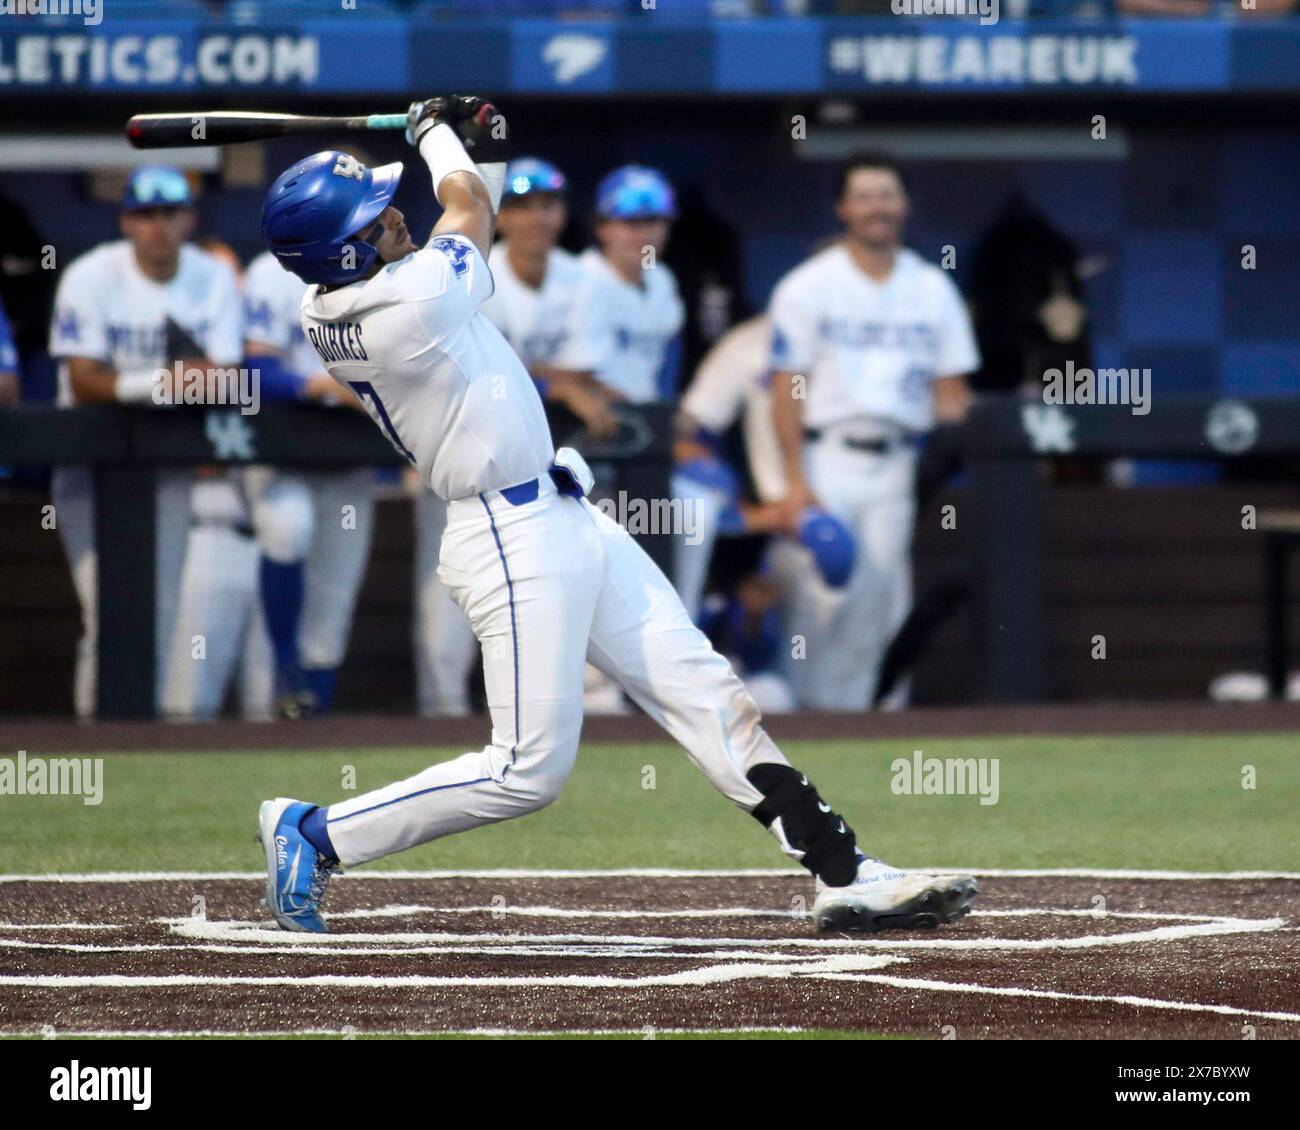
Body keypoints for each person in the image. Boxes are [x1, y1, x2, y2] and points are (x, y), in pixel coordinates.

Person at [253, 96, 977, 937]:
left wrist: (479, 140)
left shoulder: (354, 293)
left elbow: (467, 209)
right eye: (375, 221)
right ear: (345, 252)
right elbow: (470, 208)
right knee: (529, 771)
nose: (396, 223)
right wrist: (432, 132)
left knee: (702, 688)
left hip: (561, 508)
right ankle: (315, 834)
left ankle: (845, 870)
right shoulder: (402, 306)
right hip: (505, 539)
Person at [768, 153, 978, 710]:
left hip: (898, 458)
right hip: (826, 454)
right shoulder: (808, 285)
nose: (876, 207)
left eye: (886, 195)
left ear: (904, 205)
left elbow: (952, 395)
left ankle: (855, 718)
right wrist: (793, 480)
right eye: (864, 196)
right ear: (843, 207)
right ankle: (803, 716)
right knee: (820, 590)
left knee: (878, 595)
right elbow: (787, 387)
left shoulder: (932, 287)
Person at [412, 156, 620, 716]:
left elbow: (588, 379)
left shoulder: (585, 279)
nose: (536, 218)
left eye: (547, 205)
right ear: (501, 218)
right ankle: (440, 726)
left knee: (550, 605)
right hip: (464, 461)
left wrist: (557, 381)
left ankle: (529, 730)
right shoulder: (474, 269)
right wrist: (558, 382)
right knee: (445, 623)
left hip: (549, 472)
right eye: (522, 205)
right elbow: (471, 370)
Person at [49, 166, 242, 717]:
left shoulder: (213, 276)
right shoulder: (90, 275)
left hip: (169, 465)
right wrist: (163, 383)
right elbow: (82, 381)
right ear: (127, 220)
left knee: (157, 614)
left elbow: (225, 378)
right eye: (147, 215)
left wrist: (137, 386)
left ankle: (140, 745)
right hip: (92, 466)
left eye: (170, 213)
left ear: (189, 218)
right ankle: (101, 744)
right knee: (108, 614)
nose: (159, 227)